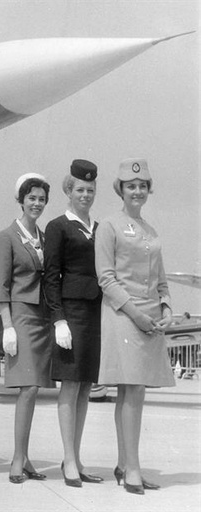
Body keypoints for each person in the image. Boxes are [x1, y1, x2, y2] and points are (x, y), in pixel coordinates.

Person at [95, 158, 174, 495]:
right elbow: (106, 278)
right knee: (131, 388)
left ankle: (126, 464)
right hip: (123, 315)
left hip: (151, 317)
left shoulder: (150, 231)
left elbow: (160, 278)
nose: (137, 191)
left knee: (133, 391)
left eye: (142, 186)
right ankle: (132, 468)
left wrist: (167, 305)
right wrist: (136, 314)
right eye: (131, 186)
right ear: (121, 190)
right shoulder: (110, 226)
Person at [43, 160, 103, 487]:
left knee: (85, 387)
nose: (85, 195)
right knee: (70, 384)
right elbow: (51, 276)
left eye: (90, 190)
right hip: (71, 313)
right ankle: (67, 458)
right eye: (80, 189)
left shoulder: (98, 227)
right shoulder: (59, 226)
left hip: (94, 313)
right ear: (69, 191)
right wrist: (58, 320)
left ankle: (76, 458)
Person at [0, 173, 53, 483]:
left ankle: (26, 457)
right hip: (20, 316)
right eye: (31, 198)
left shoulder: (43, 237)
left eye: (41, 199)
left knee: (35, 388)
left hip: (42, 316)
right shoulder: (7, 236)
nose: (37, 203)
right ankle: (17, 459)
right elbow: (1, 284)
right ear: (21, 200)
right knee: (27, 388)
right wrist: (7, 326)